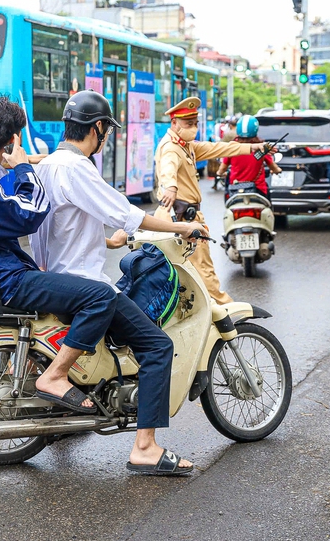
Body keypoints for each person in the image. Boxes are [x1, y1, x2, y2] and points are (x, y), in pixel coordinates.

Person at [30, 90, 205, 475]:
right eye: (106, 131)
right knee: (157, 346)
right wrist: (182, 226)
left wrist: (108, 239)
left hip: (54, 276)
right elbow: (130, 215)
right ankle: (145, 447)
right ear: (97, 129)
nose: (105, 137)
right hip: (82, 284)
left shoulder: (49, 165)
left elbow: (69, 223)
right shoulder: (78, 168)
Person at [0, 95, 118, 414]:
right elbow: (33, 212)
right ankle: (55, 377)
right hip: (5, 281)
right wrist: (25, 167)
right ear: (13, 140)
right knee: (100, 297)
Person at [154, 97, 267, 304]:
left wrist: (253, 148)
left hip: (181, 216)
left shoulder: (186, 145)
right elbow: (168, 168)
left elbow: (220, 149)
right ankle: (228, 315)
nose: (193, 128)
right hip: (183, 218)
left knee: (182, 273)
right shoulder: (171, 148)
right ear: (174, 123)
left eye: (195, 124)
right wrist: (170, 186)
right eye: (188, 124)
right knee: (204, 270)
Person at [215, 115, 282, 198]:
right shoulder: (262, 147)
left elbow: (222, 168)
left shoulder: (233, 146)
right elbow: (272, 166)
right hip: (258, 190)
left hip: (235, 190)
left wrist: (219, 173)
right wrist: (278, 170)